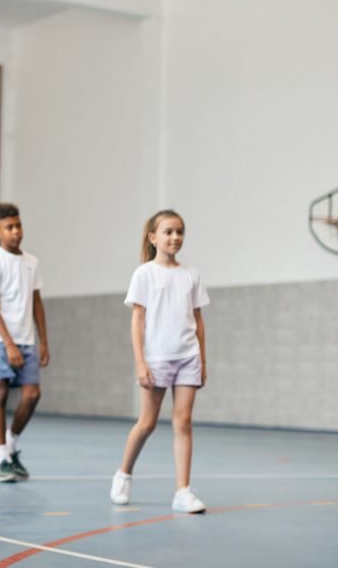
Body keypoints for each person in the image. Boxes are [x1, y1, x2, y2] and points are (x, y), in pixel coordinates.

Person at [111, 209, 210, 514]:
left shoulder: (191, 274)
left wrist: (203, 360)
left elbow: (198, 320)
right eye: (168, 232)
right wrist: (140, 362)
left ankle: (183, 491)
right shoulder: (144, 274)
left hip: (188, 357)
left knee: (183, 422)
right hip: (157, 359)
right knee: (147, 423)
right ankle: (124, 474)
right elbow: (137, 320)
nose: (175, 237)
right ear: (153, 238)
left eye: (180, 232)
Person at [0, 203, 49, 483]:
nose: (15, 231)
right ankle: (2, 457)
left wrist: (43, 341)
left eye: (18, 225)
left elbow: (37, 303)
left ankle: (10, 444)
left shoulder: (32, 262)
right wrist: (8, 344)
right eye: (9, 227)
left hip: (27, 339)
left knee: (32, 395)